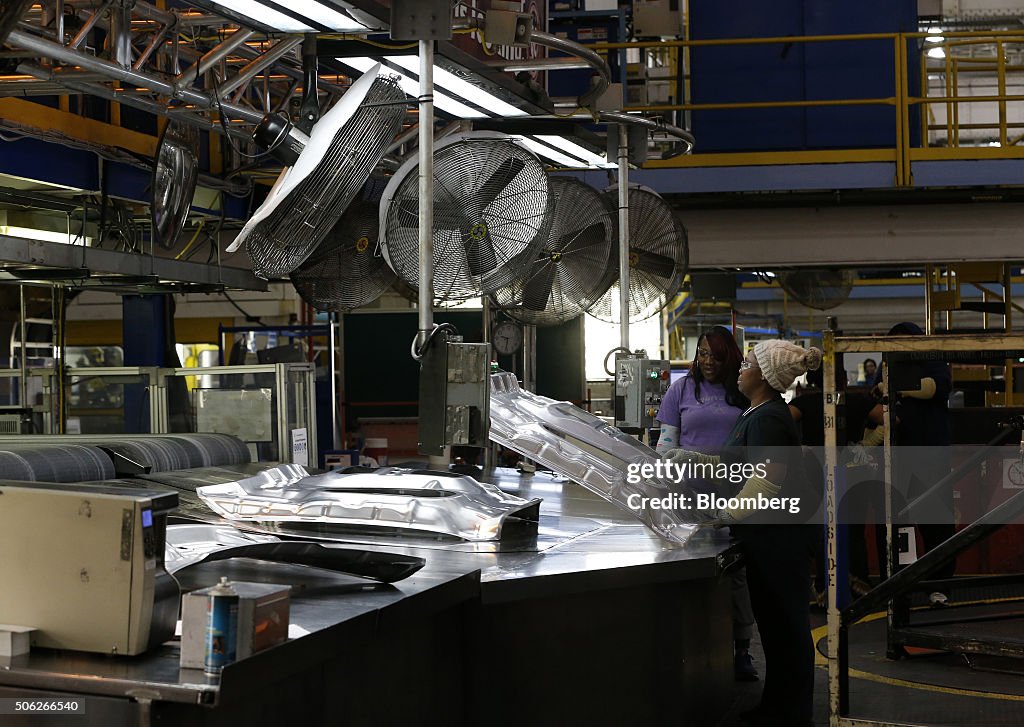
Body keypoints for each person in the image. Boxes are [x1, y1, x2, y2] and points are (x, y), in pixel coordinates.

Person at [668, 340, 821, 727]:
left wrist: (725, 512)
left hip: (779, 540)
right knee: (773, 628)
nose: (741, 368)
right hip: (764, 537)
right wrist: (694, 460)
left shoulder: (769, 417)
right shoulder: (755, 412)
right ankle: (777, 705)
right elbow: (734, 464)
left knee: (787, 628)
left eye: (748, 364)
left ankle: (793, 712)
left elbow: (767, 480)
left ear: (765, 376)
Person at [654, 326, 758, 682]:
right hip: (688, 498)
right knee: (690, 568)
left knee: (737, 575)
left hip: (736, 496)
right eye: (702, 354)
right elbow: (666, 446)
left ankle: (742, 649)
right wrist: (665, 481)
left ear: (730, 356)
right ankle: (693, 647)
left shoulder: (743, 391)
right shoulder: (681, 390)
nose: (708, 361)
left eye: (715, 355)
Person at [883, 322, 954, 607]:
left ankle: (939, 585)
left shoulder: (932, 358)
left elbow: (936, 388)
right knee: (899, 522)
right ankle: (902, 582)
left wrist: (900, 389)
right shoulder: (888, 362)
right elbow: (878, 391)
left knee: (936, 521)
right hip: (897, 454)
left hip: (930, 453)